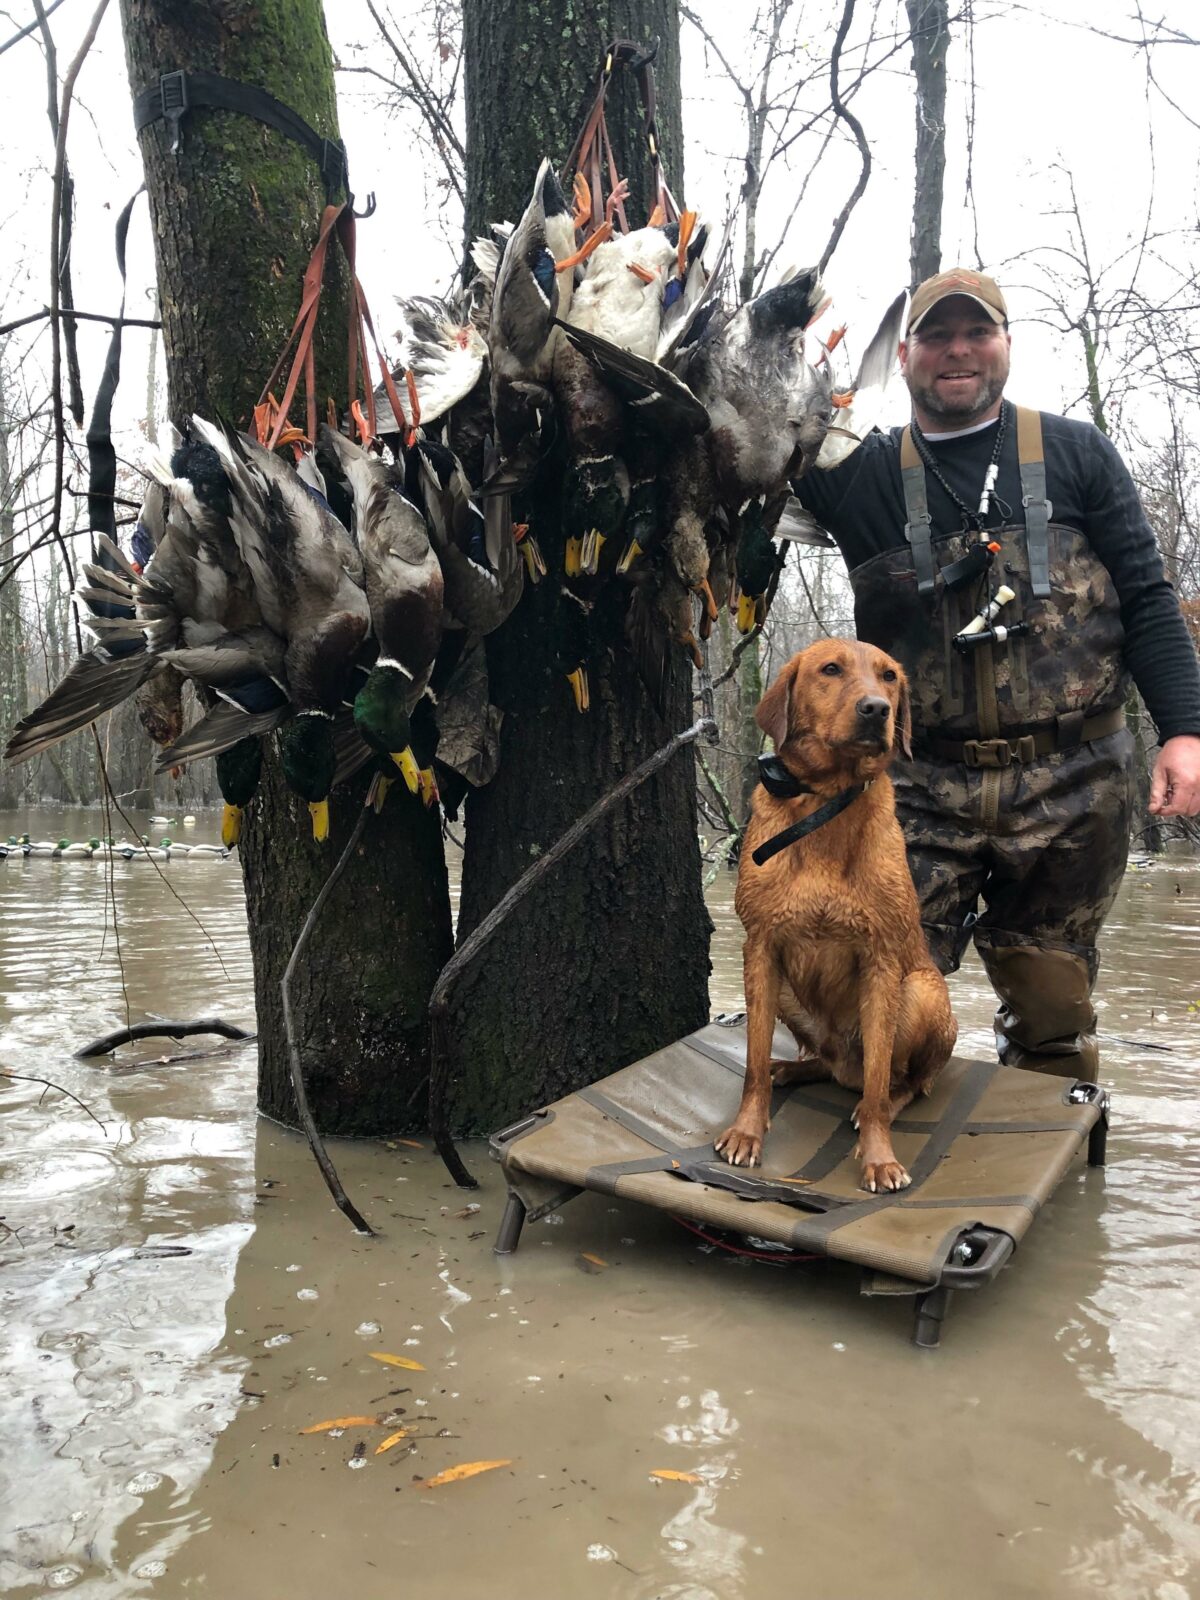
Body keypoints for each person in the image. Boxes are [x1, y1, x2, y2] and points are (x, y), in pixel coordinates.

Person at [793, 267, 1200, 1081]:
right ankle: (851, 1167)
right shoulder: (858, 477)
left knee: (1051, 1015)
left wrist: (1185, 733)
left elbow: (1151, 601)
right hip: (914, 787)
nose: (957, 352)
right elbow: (742, 464)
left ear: (1005, 345)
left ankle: (1049, 1180)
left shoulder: (1076, 453)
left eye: (976, 332)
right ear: (903, 354)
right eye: (937, 336)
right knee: (860, 996)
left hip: (1075, 788)